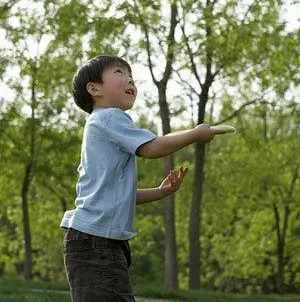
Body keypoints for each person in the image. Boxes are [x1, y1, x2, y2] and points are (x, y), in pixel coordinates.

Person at [61, 55, 225, 301]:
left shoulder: (98, 125)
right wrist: (195, 134)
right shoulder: (109, 117)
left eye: (132, 77)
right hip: (98, 243)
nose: (130, 80)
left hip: (94, 240)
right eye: (119, 73)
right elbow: (150, 148)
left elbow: (116, 194)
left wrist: (160, 192)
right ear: (95, 89)